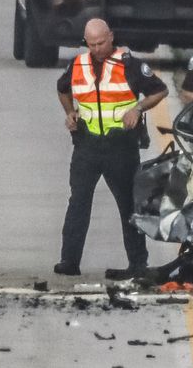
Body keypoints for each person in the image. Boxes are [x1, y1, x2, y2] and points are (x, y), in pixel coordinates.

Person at [54, 19, 168, 278]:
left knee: (129, 205)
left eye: (101, 43)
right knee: (78, 203)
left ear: (111, 37)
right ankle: (69, 261)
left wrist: (137, 109)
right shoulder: (78, 65)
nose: (96, 48)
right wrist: (71, 112)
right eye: (91, 44)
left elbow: (160, 90)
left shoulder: (130, 65)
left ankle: (138, 264)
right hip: (87, 146)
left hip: (121, 147)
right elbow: (62, 89)